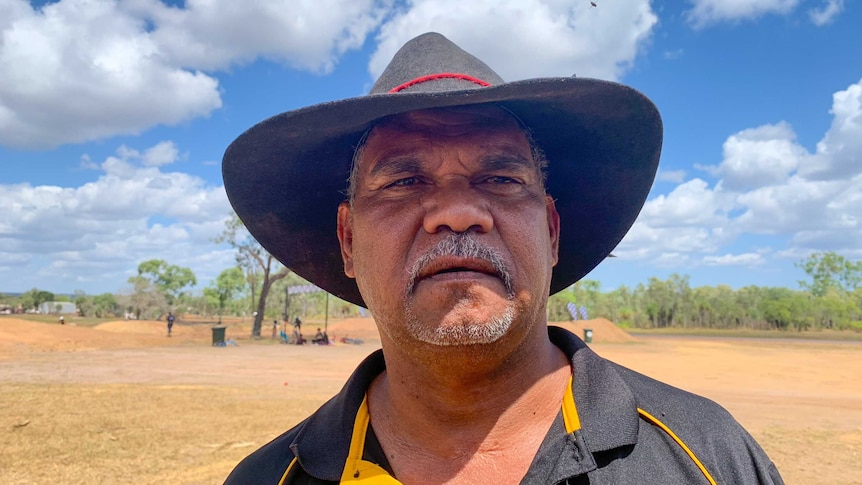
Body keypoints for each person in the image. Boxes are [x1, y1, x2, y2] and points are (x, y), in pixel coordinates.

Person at [222, 33, 783, 484]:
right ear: (348, 241)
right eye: (405, 180)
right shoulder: (271, 477)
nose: (459, 212)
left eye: (500, 178)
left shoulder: (710, 457)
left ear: (552, 230)